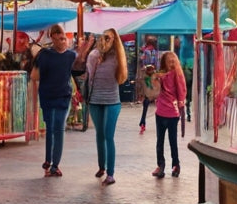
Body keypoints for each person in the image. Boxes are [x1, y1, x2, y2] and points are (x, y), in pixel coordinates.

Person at [31, 24, 77, 178]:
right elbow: (34, 76)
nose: (62, 40)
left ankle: (53, 164)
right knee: (54, 129)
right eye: (60, 37)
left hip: (59, 96)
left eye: (63, 38)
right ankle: (50, 162)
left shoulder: (70, 55)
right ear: (53, 38)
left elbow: (78, 70)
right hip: (51, 96)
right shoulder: (46, 54)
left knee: (56, 129)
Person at [87, 28, 128, 185]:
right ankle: (101, 166)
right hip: (95, 100)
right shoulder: (94, 55)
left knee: (108, 136)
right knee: (99, 135)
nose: (105, 40)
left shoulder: (119, 57)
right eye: (103, 37)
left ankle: (110, 173)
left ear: (115, 40)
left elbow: (122, 78)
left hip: (112, 101)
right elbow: (89, 75)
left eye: (108, 38)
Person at [151, 51, 187, 179]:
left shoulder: (175, 74)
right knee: (163, 141)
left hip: (170, 112)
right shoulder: (162, 75)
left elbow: (181, 91)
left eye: (173, 61)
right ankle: (165, 166)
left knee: (169, 141)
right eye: (169, 60)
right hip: (163, 111)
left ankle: (172, 165)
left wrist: (181, 105)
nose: (171, 63)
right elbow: (154, 90)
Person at [137, 35, 159, 132]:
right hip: (153, 76)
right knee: (153, 96)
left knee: (146, 98)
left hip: (146, 77)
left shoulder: (145, 52)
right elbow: (157, 65)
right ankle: (144, 121)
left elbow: (142, 63)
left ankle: (143, 121)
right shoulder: (155, 53)